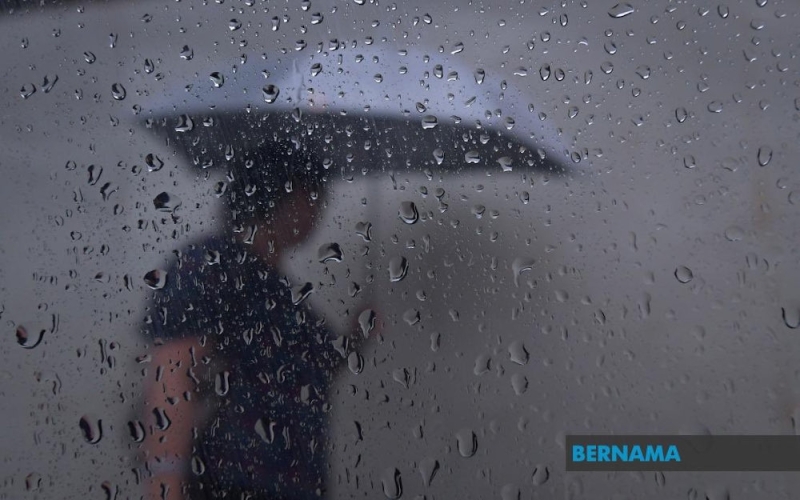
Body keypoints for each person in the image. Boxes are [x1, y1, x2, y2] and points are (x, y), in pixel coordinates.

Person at [139, 111, 339, 499]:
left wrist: (357, 334)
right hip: (230, 483)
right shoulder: (211, 266)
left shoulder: (280, 290)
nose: (319, 210)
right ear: (283, 195)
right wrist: (166, 481)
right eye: (313, 195)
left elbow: (300, 375)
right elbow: (173, 373)